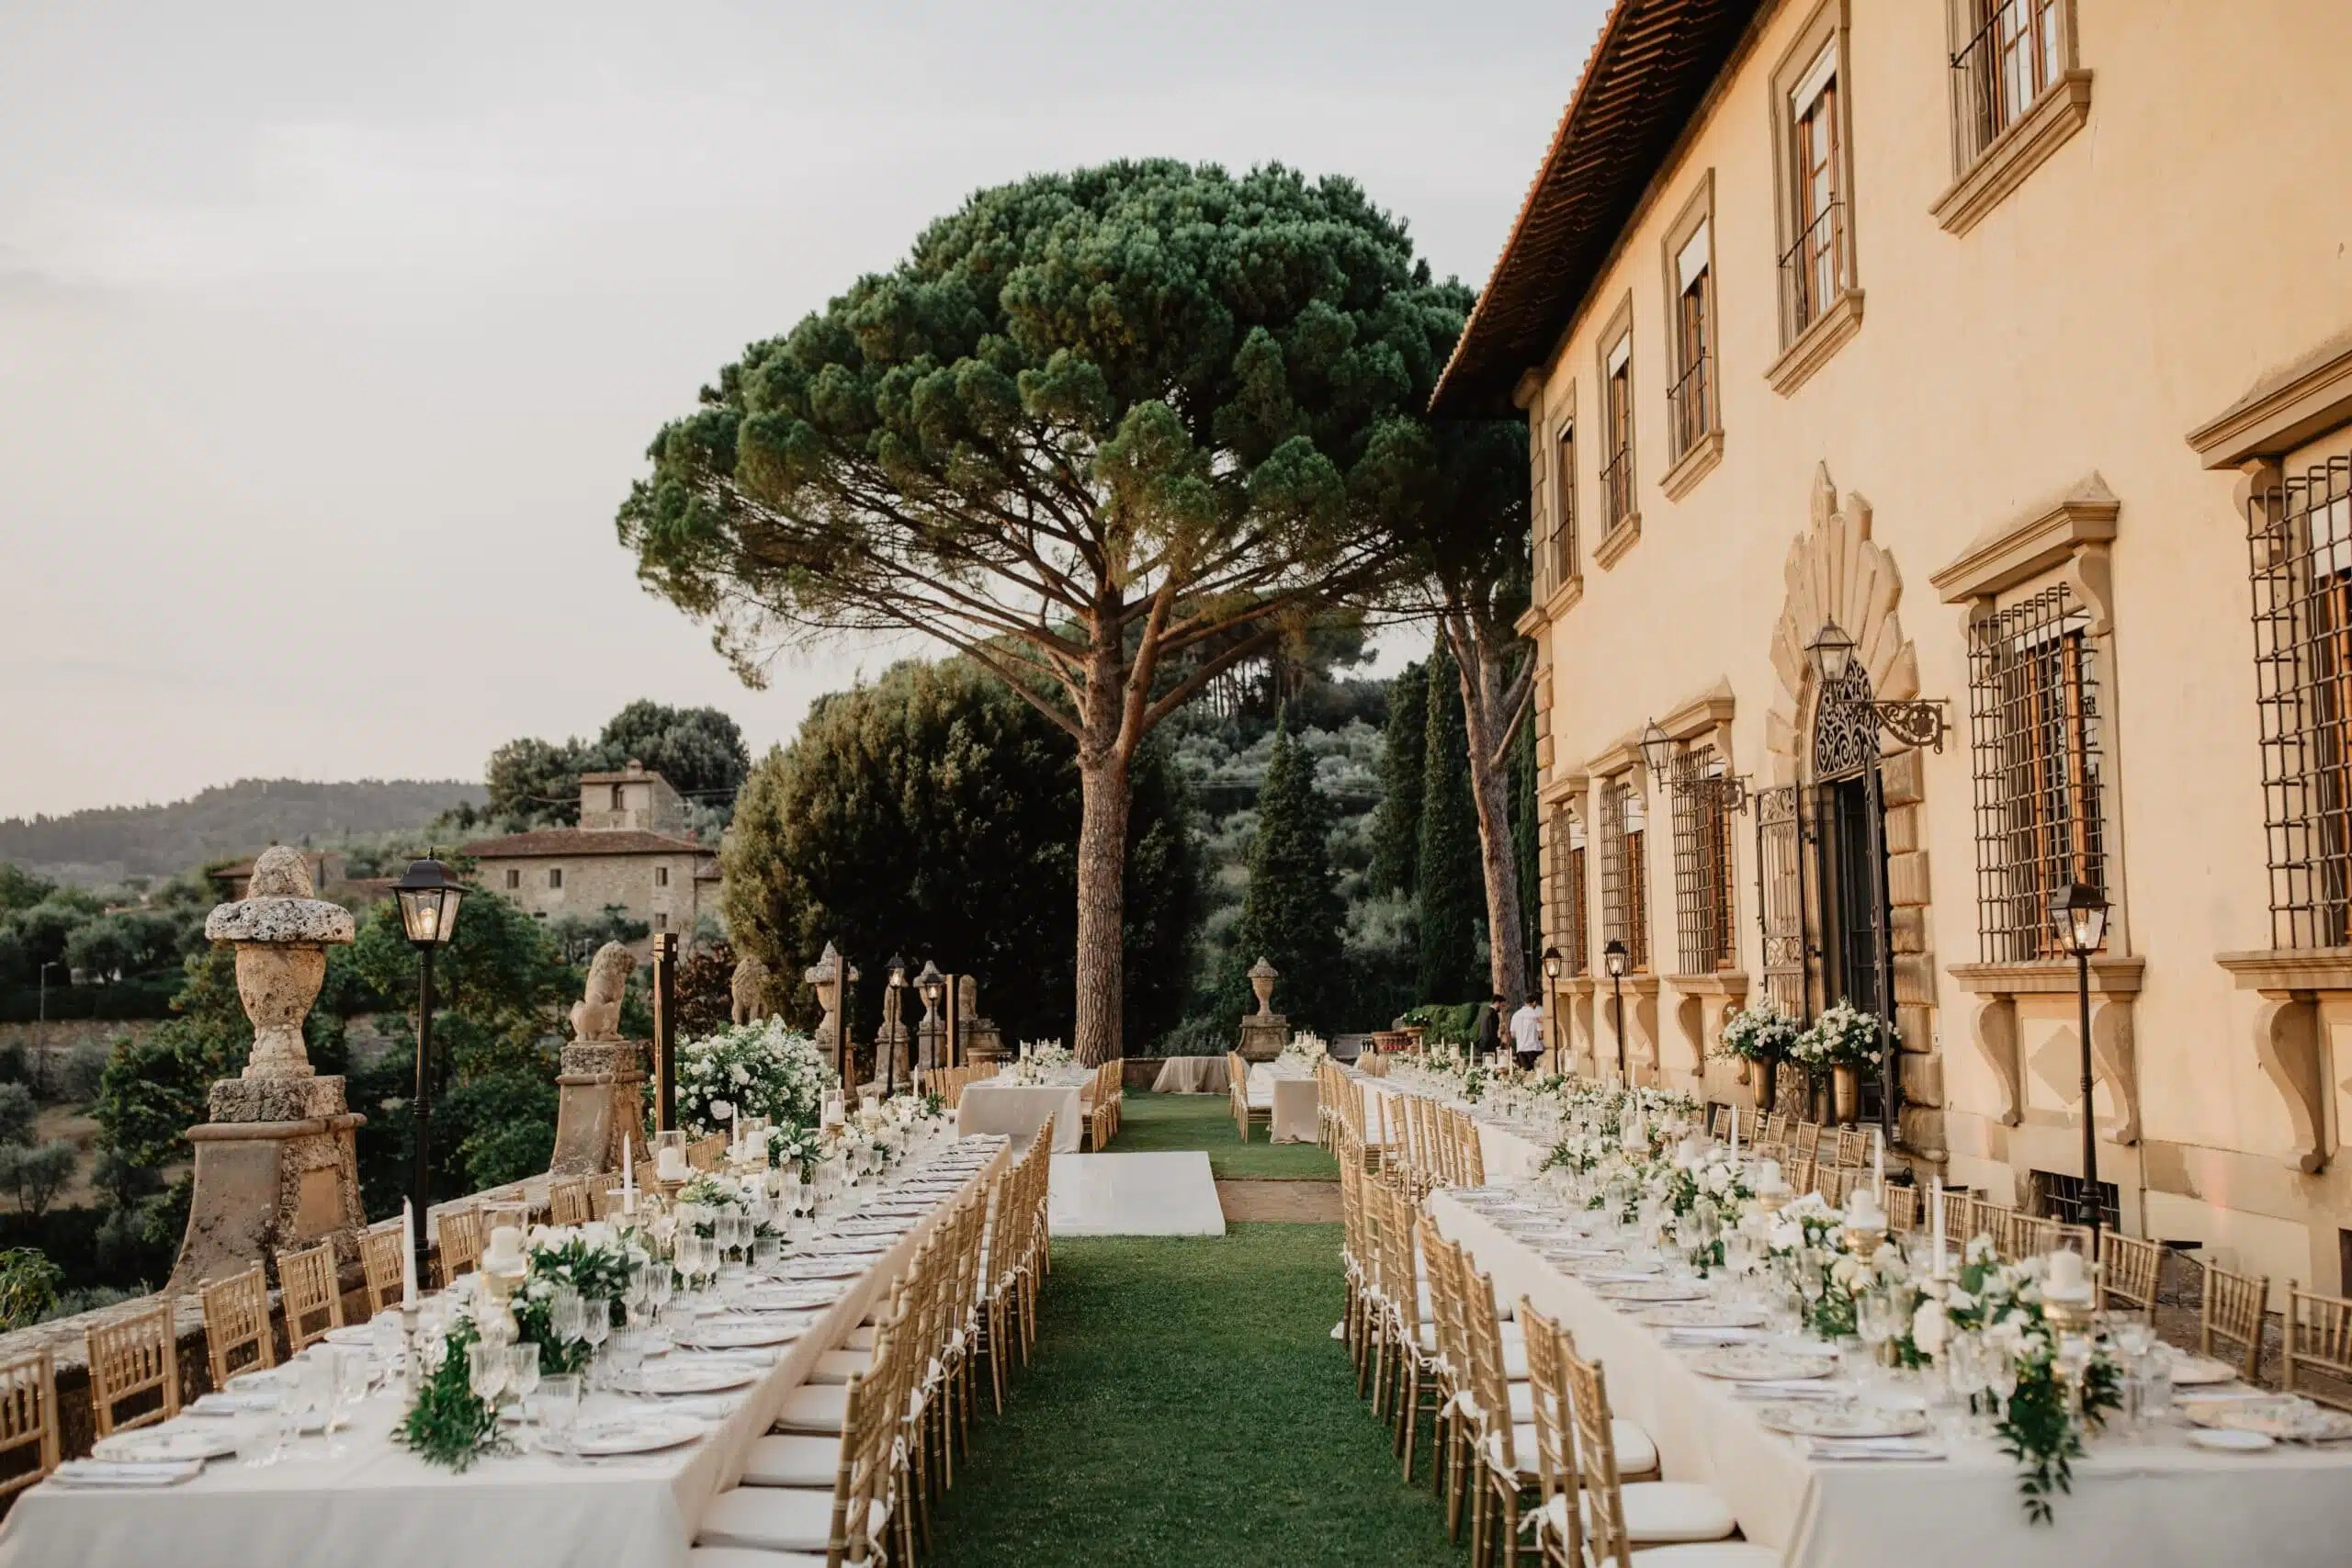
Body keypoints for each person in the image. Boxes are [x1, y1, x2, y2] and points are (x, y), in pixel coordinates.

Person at [1510, 996, 1545, 1074]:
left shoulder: (1516, 1015)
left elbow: (1512, 1034)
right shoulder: (1536, 1015)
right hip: (1534, 1049)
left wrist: (1521, 1037)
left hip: (1521, 1049)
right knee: (1536, 1074)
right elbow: (1541, 1035)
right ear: (1534, 1002)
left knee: (1524, 1074)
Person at [1476, 995, 1504, 1063]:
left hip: (1482, 1042)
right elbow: (1493, 1031)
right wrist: (1497, 1043)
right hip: (1490, 1044)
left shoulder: (1484, 1011)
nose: (1502, 1008)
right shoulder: (1493, 1014)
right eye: (1502, 1005)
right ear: (1497, 1003)